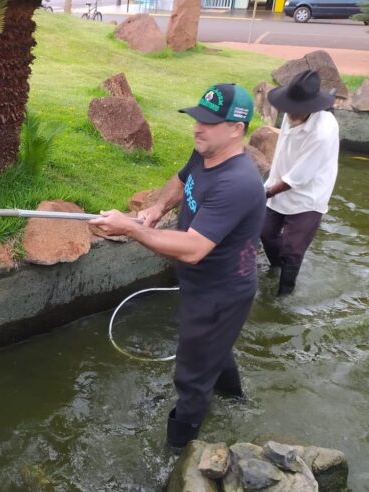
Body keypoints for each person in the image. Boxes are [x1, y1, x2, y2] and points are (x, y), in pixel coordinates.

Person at [89, 83, 266, 452]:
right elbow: (182, 180)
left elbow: (193, 249)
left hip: (220, 294)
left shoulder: (238, 182)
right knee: (215, 351)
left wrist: (131, 227)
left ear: (237, 128)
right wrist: (156, 209)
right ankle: (235, 401)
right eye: (198, 118)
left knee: (191, 375)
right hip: (203, 286)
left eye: (210, 122)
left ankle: (176, 453)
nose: (198, 128)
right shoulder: (206, 153)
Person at [261, 70, 339, 296]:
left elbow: (298, 179)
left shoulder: (322, 133)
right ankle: (275, 268)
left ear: (312, 108)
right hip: (279, 183)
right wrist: (269, 184)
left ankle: (284, 295)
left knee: (292, 249)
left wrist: (262, 194)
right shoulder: (291, 113)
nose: (289, 111)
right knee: (266, 233)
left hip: (309, 194)